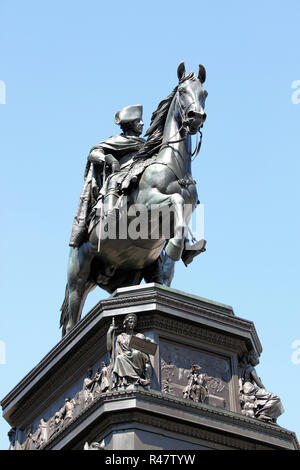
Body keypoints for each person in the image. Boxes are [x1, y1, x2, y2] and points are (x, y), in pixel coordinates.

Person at [69, 105, 145, 247]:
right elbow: (94, 153)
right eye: (138, 121)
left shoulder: (146, 145)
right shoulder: (116, 141)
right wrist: (108, 159)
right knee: (115, 180)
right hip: (121, 175)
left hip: (141, 174)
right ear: (130, 124)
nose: (142, 123)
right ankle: (109, 218)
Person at [107, 314, 153, 389]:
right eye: (130, 322)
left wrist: (147, 341)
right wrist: (109, 333)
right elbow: (110, 348)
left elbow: (146, 349)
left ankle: (138, 378)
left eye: (134, 322)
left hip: (137, 358)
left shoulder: (138, 335)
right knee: (119, 358)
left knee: (136, 353)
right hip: (124, 357)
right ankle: (137, 380)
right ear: (125, 323)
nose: (132, 324)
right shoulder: (120, 337)